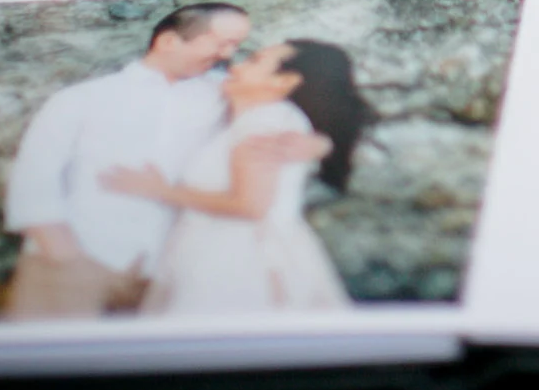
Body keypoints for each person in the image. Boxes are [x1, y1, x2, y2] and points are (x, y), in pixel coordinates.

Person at [1, 2, 252, 318]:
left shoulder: (223, 96)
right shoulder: (82, 98)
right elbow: (34, 177)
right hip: (73, 262)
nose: (229, 55)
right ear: (168, 41)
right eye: (222, 43)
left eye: (235, 45)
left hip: (166, 273)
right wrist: (64, 255)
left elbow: (271, 113)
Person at [102, 39, 371, 315]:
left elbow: (250, 205)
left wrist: (159, 190)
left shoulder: (265, 122)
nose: (235, 66)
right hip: (220, 250)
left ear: (283, 81)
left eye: (254, 61)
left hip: (239, 259)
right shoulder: (250, 116)